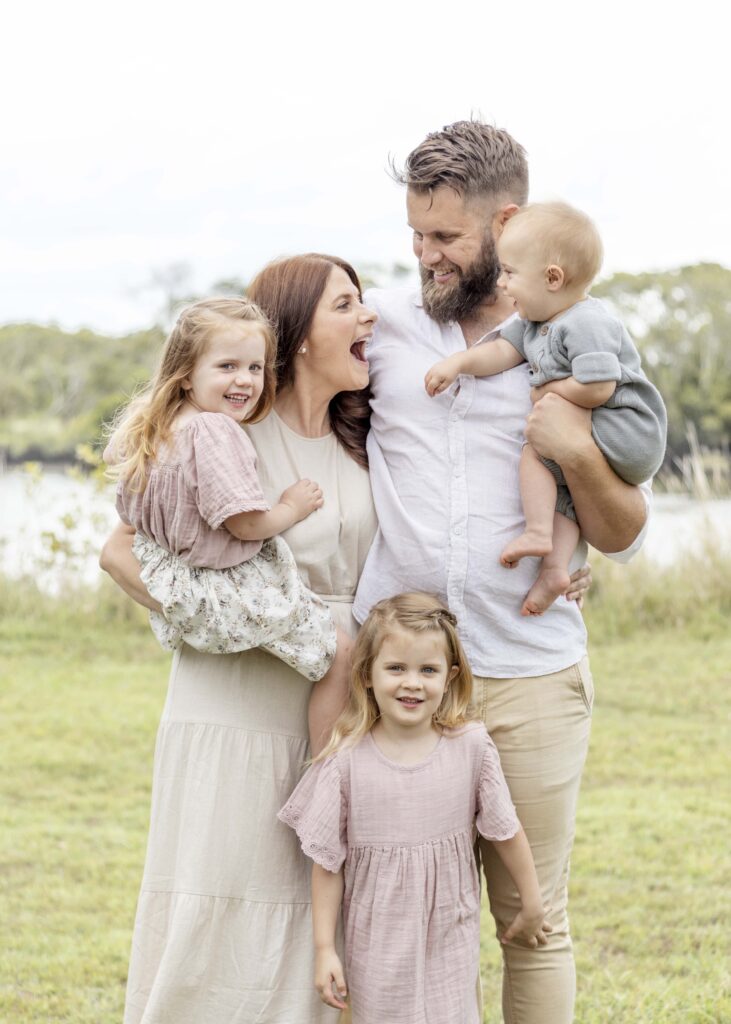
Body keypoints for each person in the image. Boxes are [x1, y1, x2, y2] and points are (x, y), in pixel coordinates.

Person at [353, 120, 652, 1024]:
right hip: (397, 685)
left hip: (528, 676)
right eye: (415, 234)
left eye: (445, 236)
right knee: (394, 919)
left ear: (507, 223)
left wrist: (577, 452)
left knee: (531, 918)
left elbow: (628, 528)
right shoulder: (383, 332)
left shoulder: (583, 344)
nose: (425, 255)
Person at [100, 254, 378, 1023]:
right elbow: (123, 550)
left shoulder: (368, 439)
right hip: (234, 692)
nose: (368, 320)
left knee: (312, 892)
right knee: (224, 883)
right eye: (347, 305)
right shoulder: (222, 435)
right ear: (297, 333)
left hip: (335, 691)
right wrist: (223, 618)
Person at [279, 592, 550, 1024]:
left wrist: (532, 901)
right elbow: (327, 864)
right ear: (367, 675)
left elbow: (506, 831)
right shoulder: (346, 761)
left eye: (428, 670)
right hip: (377, 941)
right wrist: (324, 948)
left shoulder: (472, 748)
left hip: (449, 930)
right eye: (396, 668)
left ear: (450, 676)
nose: (412, 683)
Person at [104, 296, 354, 756]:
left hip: (176, 577)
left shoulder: (153, 430)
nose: (245, 380)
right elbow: (243, 524)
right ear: (186, 373)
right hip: (234, 583)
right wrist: (290, 508)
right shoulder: (213, 431)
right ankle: (327, 768)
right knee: (342, 658)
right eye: (227, 366)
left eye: (256, 368)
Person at [424, 200, 667, 616]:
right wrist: (460, 363)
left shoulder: (587, 321)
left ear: (552, 278)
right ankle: (555, 569)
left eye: (511, 273)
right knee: (564, 488)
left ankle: (538, 532)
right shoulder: (536, 322)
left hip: (629, 430)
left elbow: (599, 386)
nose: (502, 284)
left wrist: (548, 391)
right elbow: (502, 351)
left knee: (536, 447)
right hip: (604, 432)